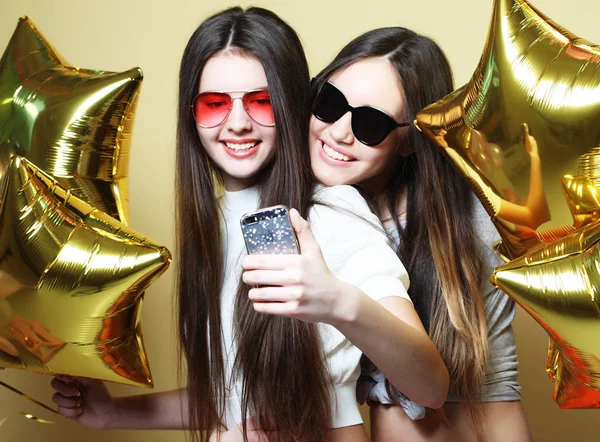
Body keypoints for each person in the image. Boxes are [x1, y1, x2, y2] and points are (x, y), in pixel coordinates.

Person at [51, 9, 448, 442]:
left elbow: (430, 386)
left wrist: (338, 302)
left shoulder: (327, 211)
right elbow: (235, 394)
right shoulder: (218, 222)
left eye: (260, 102)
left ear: (291, 104)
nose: (237, 123)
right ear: (191, 115)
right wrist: (111, 414)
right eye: (214, 103)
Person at [308, 27, 532, 441]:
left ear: (409, 142)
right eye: (329, 102)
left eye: (371, 124)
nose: (339, 132)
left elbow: (497, 392)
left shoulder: (468, 227)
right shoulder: (301, 212)